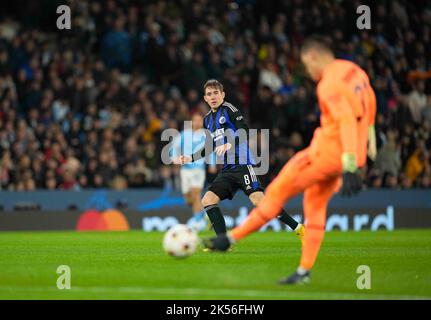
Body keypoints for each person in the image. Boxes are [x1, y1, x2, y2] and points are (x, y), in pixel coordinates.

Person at [203, 36, 377, 284]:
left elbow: (347, 120)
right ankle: (304, 271)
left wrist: (349, 163)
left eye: (306, 65)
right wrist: (367, 144)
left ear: (313, 56)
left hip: (325, 155)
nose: (309, 71)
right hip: (349, 155)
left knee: (273, 194)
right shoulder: (355, 71)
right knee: (315, 204)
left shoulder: (328, 84)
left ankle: (230, 239)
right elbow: (369, 103)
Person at [175, 79, 304, 242]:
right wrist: (190, 157)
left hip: (243, 164)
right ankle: (223, 242)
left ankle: (298, 227)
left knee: (260, 202)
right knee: (208, 200)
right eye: (209, 94)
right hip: (227, 170)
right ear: (205, 98)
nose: (213, 96)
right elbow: (210, 146)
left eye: (216, 93)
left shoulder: (228, 109)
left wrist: (230, 143)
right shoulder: (207, 120)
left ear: (222, 95)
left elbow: (244, 130)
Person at [171, 113, 216, 230]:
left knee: (196, 195)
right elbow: (174, 148)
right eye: (195, 120)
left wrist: (212, 164)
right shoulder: (184, 135)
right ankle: (205, 216)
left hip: (198, 169)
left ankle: (197, 222)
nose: (197, 123)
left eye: (199, 121)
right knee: (189, 199)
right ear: (192, 122)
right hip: (185, 170)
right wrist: (175, 159)